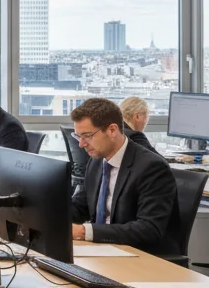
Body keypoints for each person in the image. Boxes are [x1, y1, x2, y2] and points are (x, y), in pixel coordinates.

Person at [69, 97, 180, 256]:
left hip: (143, 258)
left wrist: (84, 231)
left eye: (87, 136)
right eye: (78, 136)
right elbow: (81, 206)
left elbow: (149, 229)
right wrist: (47, 215)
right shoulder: (96, 162)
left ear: (112, 130)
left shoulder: (151, 167)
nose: (81, 144)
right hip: (104, 251)